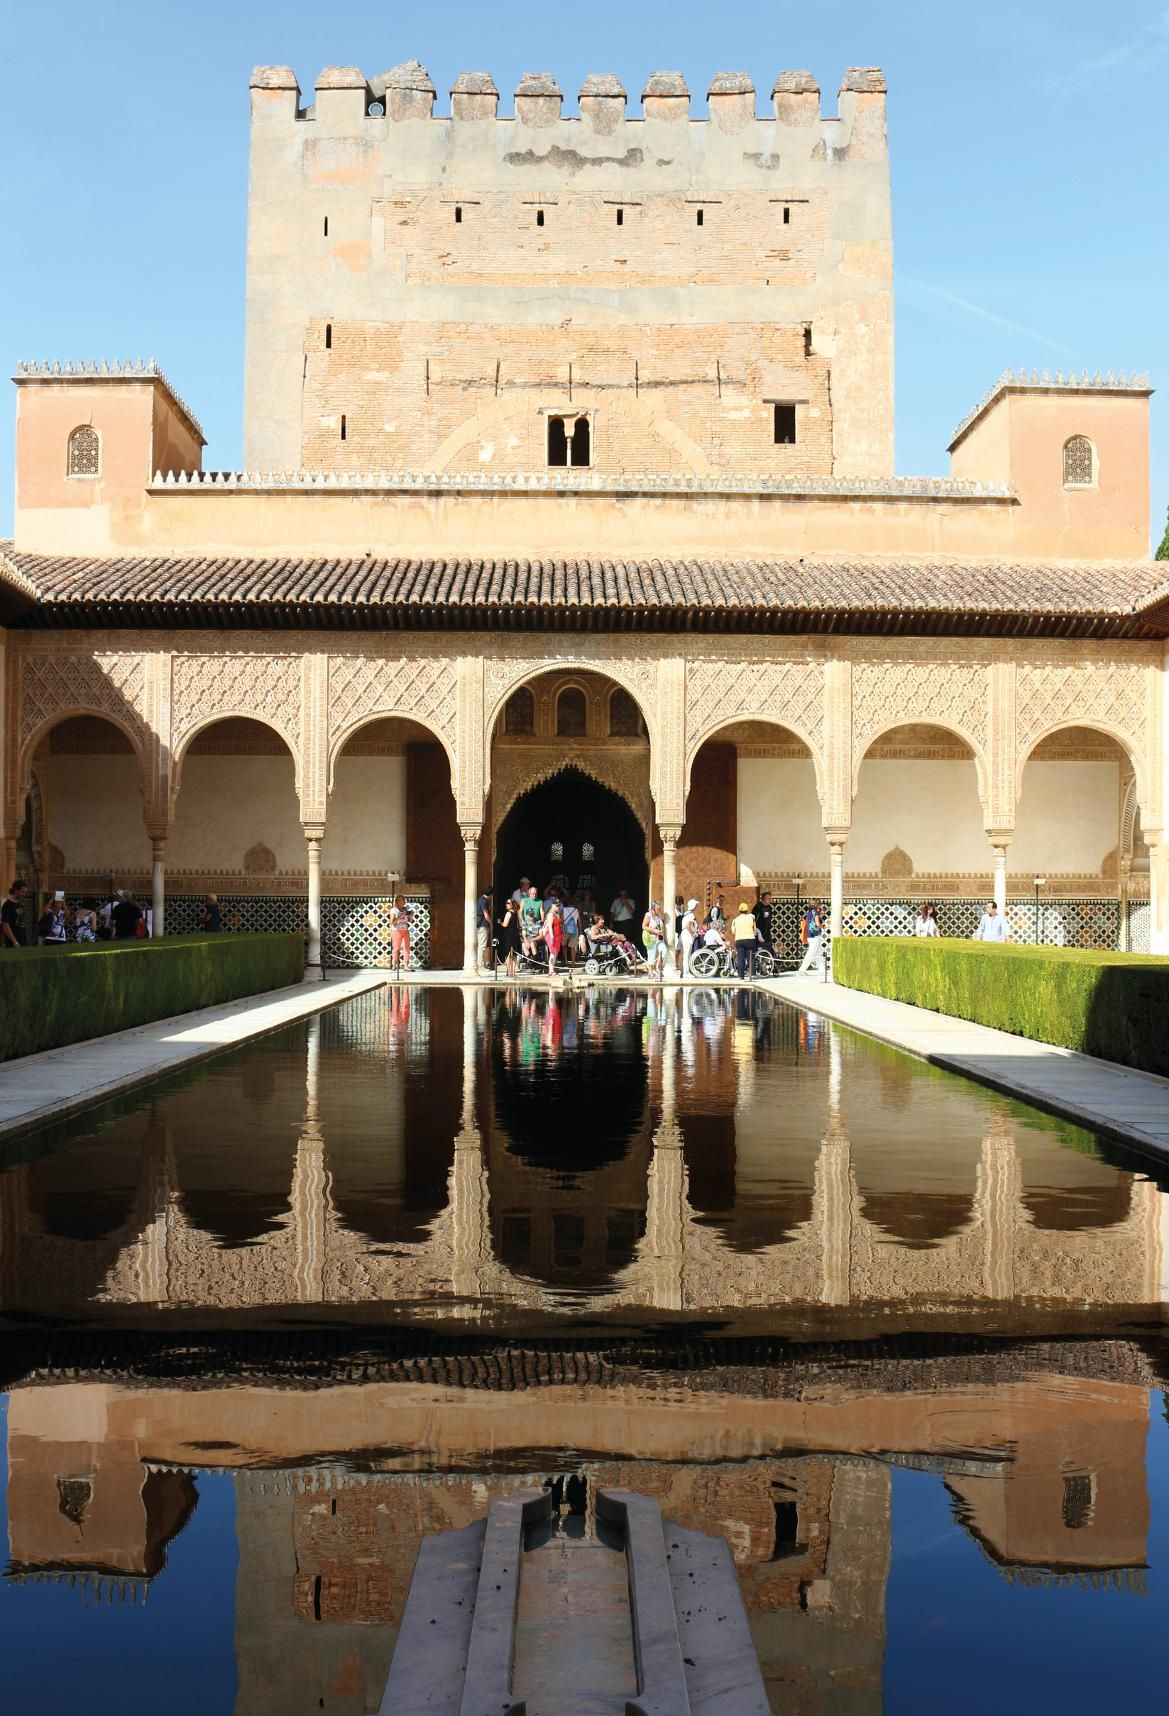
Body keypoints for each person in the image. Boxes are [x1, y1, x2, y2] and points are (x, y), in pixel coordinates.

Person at [730, 900, 760, 980]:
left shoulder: (735, 920)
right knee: (751, 957)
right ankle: (753, 974)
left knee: (740, 958)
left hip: (739, 940)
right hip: (750, 940)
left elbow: (733, 931)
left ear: (740, 910)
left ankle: (741, 976)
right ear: (747, 910)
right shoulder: (751, 918)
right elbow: (754, 930)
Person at [798, 902, 826, 974]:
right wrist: (823, 927)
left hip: (810, 935)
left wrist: (820, 913)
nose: (820, 905)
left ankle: (822, 970)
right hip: (815, 935)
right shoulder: (816, 913)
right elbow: (817, 924)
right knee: (811, 953)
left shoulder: (809, 912)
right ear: (816, 904)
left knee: (818, 952)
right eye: (819, 904)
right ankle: (802, 970)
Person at [497, 894, 521, 978]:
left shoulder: (508, 913)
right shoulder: (516, 913)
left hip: (509, 934)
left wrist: (500, 922)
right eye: (506, 903)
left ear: (512, 905)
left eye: (508, 903)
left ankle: (508, 971)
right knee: (514, 954)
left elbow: (505, 924)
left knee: (507, 953)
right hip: (515, 934)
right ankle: (513, 971)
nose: (506, 904)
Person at [2, 879, 28, 948]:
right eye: (22, 892)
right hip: (12, 943)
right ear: (16, 890)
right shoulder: (8, 905)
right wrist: (15, 942)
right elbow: (5, 925)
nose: (24, 894)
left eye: (25, 892)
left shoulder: (20, 903)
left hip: (22, 940)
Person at [642, 899, 666, 974]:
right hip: (651, 938)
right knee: (651, 954)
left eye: (660, 908)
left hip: (659, 938)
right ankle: (650, 971)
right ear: (653, 908)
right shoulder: (648, 915)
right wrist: (654, 930)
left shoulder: (659, 915)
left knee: (664, 951)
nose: (659, 910)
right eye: (658, 908)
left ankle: (657, 966)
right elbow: (643, 926)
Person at [389, 894, 411, 970]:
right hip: (396, 931)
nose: (403, 902)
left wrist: (410, 916)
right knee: (396, 948)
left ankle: (406, 966)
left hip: (405, 930)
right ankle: (394, 965)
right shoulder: (393, 910)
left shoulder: (406, 909)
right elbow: (392, 922)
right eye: (402, 900)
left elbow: (410, 921)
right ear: (398, 901)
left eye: (404, 900)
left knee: (406, 947)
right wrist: (399, 916)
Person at [543, 898, 564, 974]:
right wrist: (552, 937)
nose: (558, 907)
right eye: (557, 905)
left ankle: (552, 969)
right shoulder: (550, 914)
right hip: (552, 935)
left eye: (559, 905)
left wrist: (562, 935)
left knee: (555, 953)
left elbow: (560, 926)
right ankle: (551, 970)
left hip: (557, 935)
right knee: (552, 952)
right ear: (552, 905)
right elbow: (549, 926)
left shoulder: (557, 914)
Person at [680, 898, 700, 974]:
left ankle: (684, 971)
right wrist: (692, 933)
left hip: (685, 934)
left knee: (685, 953)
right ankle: (686, 972)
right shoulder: (691, 914)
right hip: (687, 935)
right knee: (687, 954)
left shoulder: (686, 913)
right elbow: (688, 925)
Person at [476, 886, 493, 971]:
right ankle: (480, 965)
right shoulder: (485, 901)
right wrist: (491, 923)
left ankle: (478, 963)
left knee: (478, 945)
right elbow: (486, 915)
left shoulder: (479, 899)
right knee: (482, 946)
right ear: (491, 895)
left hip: (477, 925)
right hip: (483, 925)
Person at [561, 895, 579, 966]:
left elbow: (561, 920)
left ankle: (565, 960)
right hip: (574, 929)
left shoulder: (564, 910)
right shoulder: (576, 910)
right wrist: (580, 931)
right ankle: (573, 962)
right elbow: (579, 921)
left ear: (567, 902)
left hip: (565, 929)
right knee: (573, 947)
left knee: (564, 945)